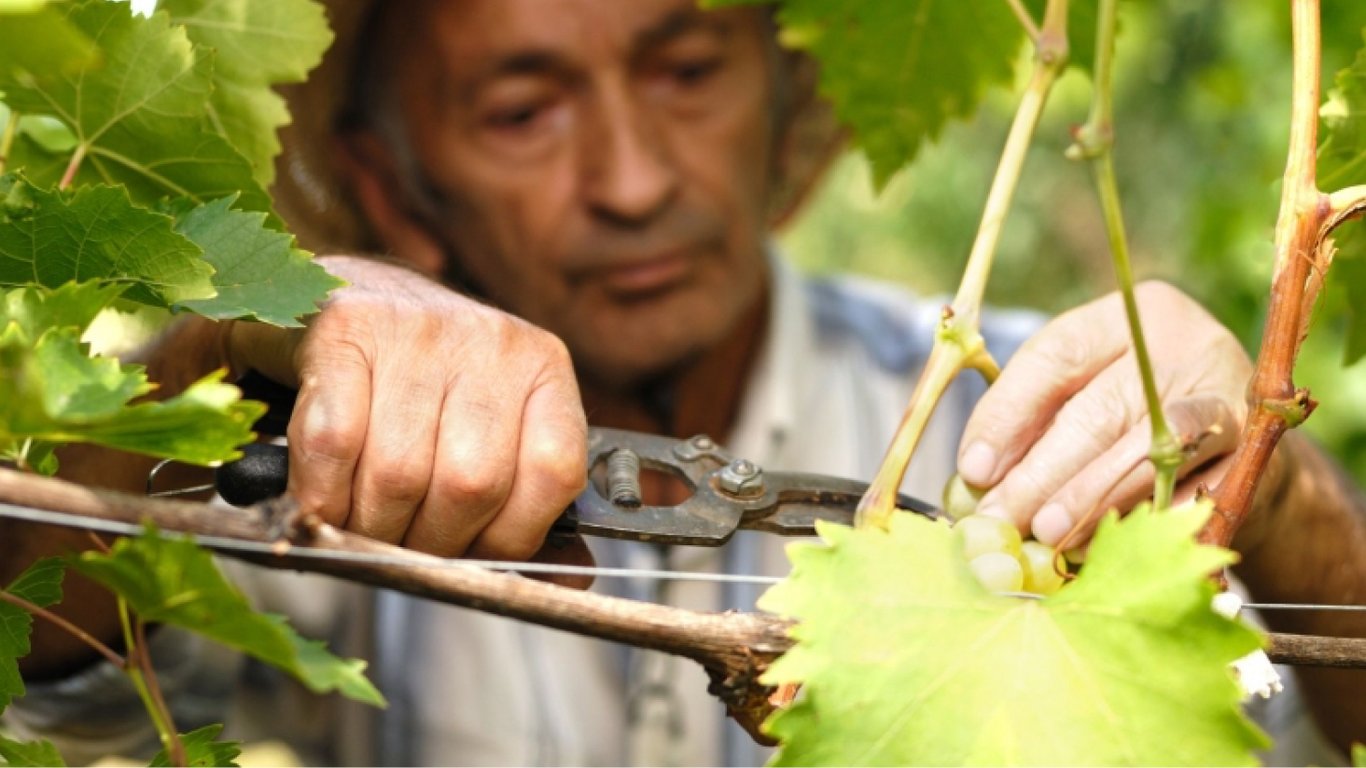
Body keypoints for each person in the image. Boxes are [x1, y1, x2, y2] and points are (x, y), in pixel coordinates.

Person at [4, 0, 1364, 764]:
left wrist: (1278, 486)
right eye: (522, 109)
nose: (636, 179)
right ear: (382, 181)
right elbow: (38, 668)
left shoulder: (1034, 413)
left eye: (688, 66)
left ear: (779, 95)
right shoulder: (283, 467)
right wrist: (226, 348)